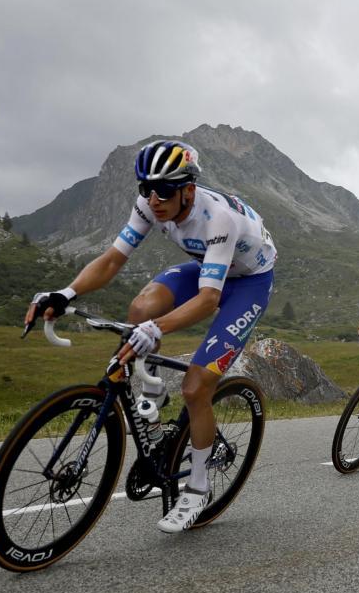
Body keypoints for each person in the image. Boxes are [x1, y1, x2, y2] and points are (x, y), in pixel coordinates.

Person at [25, 140, 276, 534]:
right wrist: (66, 293)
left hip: (248, 283)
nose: (153, 199)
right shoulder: (149, 205)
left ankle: (196, 489)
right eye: (146, 188)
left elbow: (210, 299)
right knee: (140, 309)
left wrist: (157, 330)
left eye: (164, 190)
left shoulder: (217, 219)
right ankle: (152, 393)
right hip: (207, 266)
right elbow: (111, 260)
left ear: (188, 190)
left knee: (196, 388)